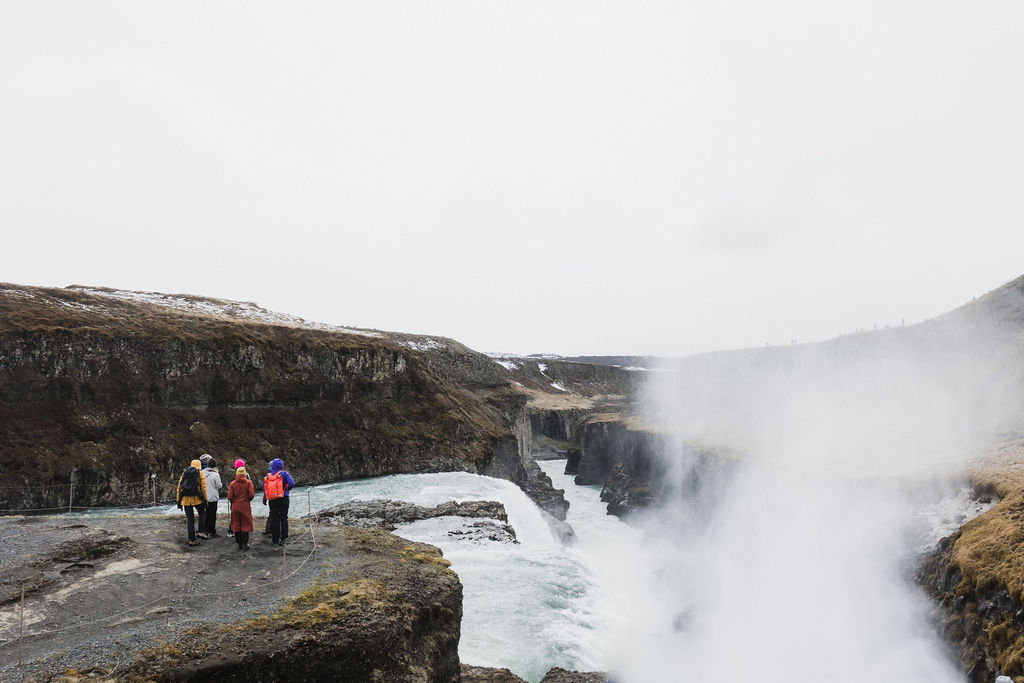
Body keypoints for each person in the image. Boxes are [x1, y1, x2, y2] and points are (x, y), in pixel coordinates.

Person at [176, 458, 208, 546]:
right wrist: (205, 499)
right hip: (197, 499)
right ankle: (201, 532)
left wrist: (178, 500)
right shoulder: (200, 473)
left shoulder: (184, 473)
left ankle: (192, 539)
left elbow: (179, 487)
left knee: (190, 519)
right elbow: (204, 488)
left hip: (185, 500)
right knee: (202, 513)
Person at [263, 458, 295, 547]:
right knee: (284, 519)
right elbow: (292, 483)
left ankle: (275, 541)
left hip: (272, 500)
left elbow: (264, 488)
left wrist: (265, 498)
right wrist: (286, 489)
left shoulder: (268, 475)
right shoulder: (284, 473)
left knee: (275, 519)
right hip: (284, 498)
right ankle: (284, 539)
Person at [227, 466, 255, 550]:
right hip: (245, 506)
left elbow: (230, 496)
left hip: (235, 506)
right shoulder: (249, 483)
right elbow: (251, 495)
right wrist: (246, 500)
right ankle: (245, 544)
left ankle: (239, 544)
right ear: (244, 473)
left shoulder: (232, 484)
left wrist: (234, 501)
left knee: (236, 524)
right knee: (245, 525)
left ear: (237, 474)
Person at [201, 457, 223, 538]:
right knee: (212, 515)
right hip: (213, 497)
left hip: (204, 497)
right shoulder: (215, 474)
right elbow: (219, 486)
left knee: (205, 514)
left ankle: (205, 530)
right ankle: (212, 532)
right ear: (215, 466)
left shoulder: (202, 472)